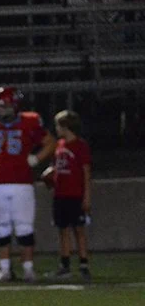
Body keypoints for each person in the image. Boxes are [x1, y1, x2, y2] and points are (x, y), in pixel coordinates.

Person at [0, 87, 54, 282]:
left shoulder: (30, 120)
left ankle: (28, 268)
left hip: (21, 182)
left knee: (24, 227)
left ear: (15, 107)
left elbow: (50, 142)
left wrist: (36, 159)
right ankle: (5, 269)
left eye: (4, 106)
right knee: (0, 228)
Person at [44, 110, 92, 281]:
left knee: (79, 230)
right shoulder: (59, 145)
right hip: (60, 194)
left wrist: (86, 196)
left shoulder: (80, 146)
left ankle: (84, 264)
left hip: (75, 194)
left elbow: (86, 172)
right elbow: (57, 166)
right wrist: (49, 175)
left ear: (66, 127)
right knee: (62, 229)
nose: (57, 129)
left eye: (58, 126)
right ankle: (65, 265)